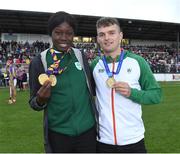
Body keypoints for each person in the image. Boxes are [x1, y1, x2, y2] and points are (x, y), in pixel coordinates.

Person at [28, 11, 97, 153]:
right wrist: (41, 100)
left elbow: (92, 88)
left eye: (69, 33)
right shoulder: (39, 61)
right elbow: (33, 102)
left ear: (73, 34)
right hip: (59, 134)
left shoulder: (80, 56)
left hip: (87, 131)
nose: (64, 38)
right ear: (51, 33)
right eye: (58, 32)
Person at [91, 17, 162, 153]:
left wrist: (132, 93)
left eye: (111, 33)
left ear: (120, 36)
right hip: (103, 143)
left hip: (133, 141)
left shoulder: (137, 62)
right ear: (98, 39)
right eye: (102, 34)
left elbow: (156, 94)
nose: (107, 38)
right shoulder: (95, 65)